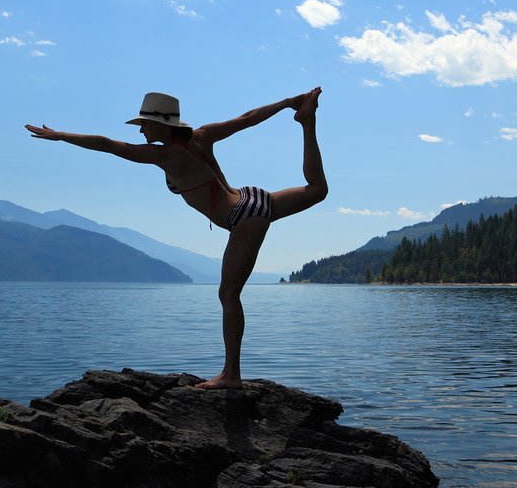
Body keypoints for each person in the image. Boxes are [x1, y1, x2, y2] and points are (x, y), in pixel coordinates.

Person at [25, 87, 327, 390]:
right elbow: (248, 118)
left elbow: (108, 145)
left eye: (144, 123)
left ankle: (231, 375)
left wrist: (62, 135)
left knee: (228, 294)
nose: (141, 129)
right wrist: (288, 103)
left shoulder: (164, 154)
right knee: (316, 190)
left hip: (243, 218)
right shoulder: (203, 134)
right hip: (252, 199)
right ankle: (306, 121)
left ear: (162, 124)